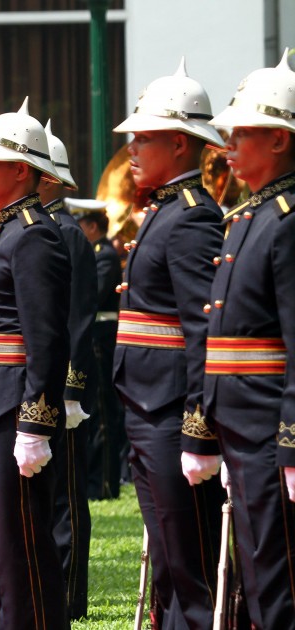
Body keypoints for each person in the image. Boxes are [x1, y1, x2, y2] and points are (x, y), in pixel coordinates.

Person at [111, 60, 226, 629]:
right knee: (166, 551)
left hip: (169, 409)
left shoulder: (190, 219)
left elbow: (204, 331)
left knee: (189, 556)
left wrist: (198, 425)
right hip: (145, 404)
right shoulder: (162, 212)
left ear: (179, 144)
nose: (131, 148)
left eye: (144, 137)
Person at [0, 99, 72, 629]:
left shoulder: (33, 234)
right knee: (1, 542)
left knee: (21, 541)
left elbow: (45, 340)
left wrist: (36, 423)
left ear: (22, 170)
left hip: (11, 408)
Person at [198, 52, 295, 629]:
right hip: (240, 418)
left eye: (244, 131)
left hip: (268, 424)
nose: (228, 142)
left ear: (281, 140)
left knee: (276, 572)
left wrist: (291, 439)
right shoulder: (248, 217)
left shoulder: (285, 219)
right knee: (254, 571)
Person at [40, 120, 96, 621]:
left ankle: (71, 591)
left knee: (66, 497)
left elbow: (77, 319)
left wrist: (72, 391)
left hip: (63, 387)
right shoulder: (34, 228)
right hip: (35, 383)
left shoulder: (68, 233)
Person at [69, 198, 124, 501]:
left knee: (103, 413)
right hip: (93, 337)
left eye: (81, 225)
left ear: (91, 226)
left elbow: (95, 295)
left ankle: (104, 483)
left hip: (101, 338)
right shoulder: (94, 253)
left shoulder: (104, 255)